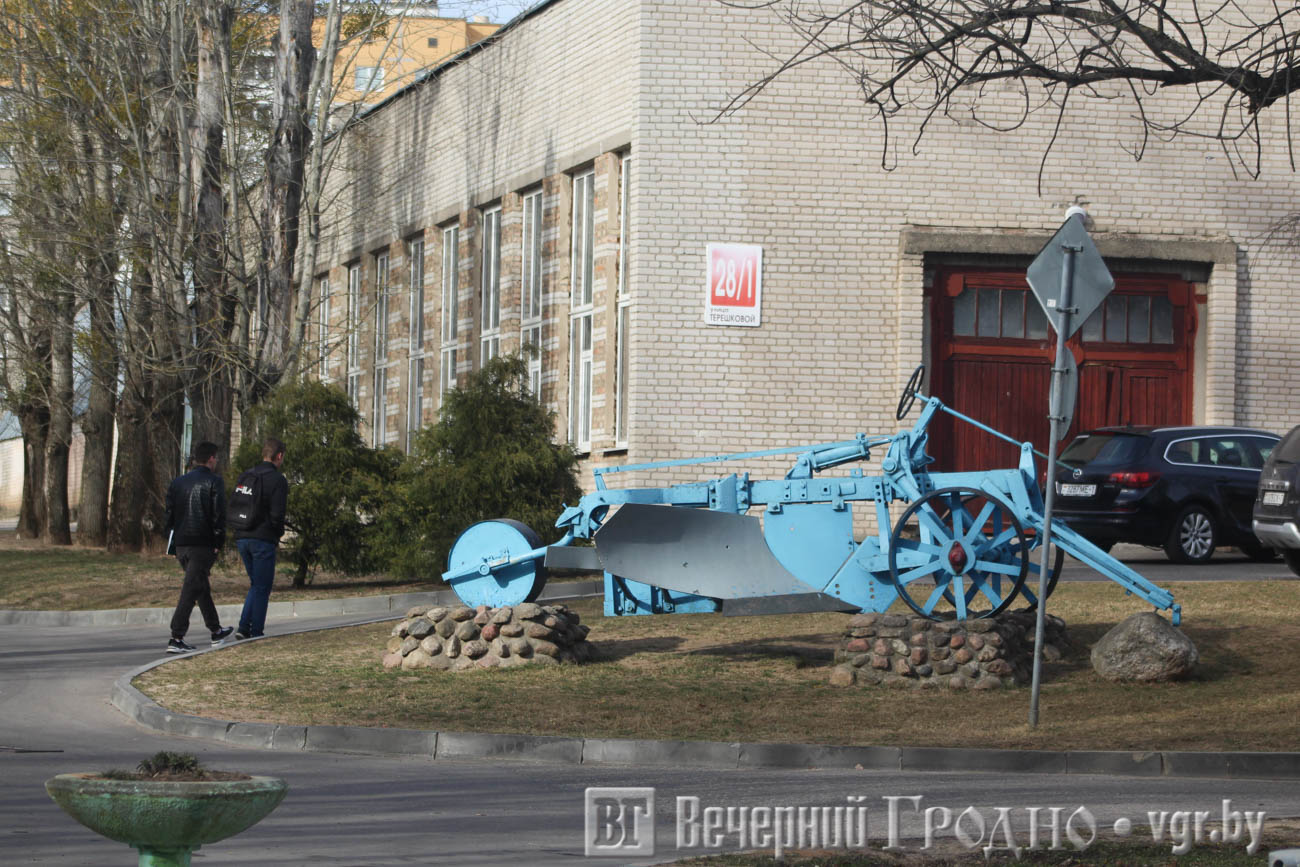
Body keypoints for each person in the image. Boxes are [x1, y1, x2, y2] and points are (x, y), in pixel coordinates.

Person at [164, 441, 234, 653]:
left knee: (199, 586)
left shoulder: (177, 483)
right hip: (202, 543)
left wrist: (172, 540)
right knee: (191, 588)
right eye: (216, 458)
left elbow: (169, 515)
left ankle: (215, 630)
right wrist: (218, 543)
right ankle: (176, 636)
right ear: (211, 458)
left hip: (182, 543)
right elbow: (218, 515)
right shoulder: (214, 482)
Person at [233, 437, 289, 640]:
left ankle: (243, 627)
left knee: (256, 584)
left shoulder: (247, 475)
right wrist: (277, 534)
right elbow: (277, 514)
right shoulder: (277, 480)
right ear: (279, 456)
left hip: (242, 536)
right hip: (262, 538)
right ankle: (255, 631)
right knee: (262, 586)